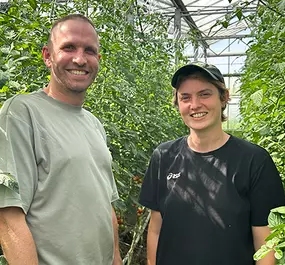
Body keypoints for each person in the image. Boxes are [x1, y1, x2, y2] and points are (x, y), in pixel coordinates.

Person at [0, 14, 122, 265]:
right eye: (68, 47)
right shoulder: (22, 113)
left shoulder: (94, 124)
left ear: (98, 61)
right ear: (48, 56)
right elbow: (7, 214)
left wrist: (117, 259)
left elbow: (106, 205)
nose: (80, 58)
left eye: (89, 50)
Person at [139, 62, 285, 265]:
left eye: (205, 94)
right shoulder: (164, 156)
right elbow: (156, 229)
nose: (195, 105)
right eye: (185, 97)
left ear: (223, 98)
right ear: (178, 103)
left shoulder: (254, 161)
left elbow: (266, 243)